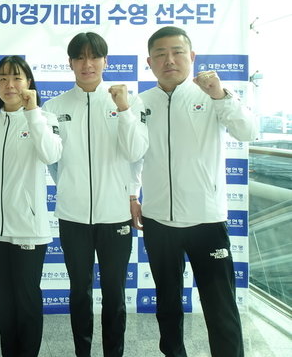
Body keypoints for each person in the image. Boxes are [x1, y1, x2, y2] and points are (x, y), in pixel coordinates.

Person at [135, 26, 256, 357]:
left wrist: (219, 94)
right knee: (168, 306)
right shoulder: (140, 103)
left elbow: (248, 131)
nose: (169, 60)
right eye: (160, 54)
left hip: (207, 221)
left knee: (221, 307)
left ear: (192, 56)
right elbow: (132, 156)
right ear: (149, 61)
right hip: (158, 221)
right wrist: (133, 194)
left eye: (176, 52)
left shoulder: (213, 95)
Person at [43, 32, 148, 357]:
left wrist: (124, 110)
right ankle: (82, 353)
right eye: (80, 57)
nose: (87, 64)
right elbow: (53, 162)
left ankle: (113, 353)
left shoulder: (126, 103)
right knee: (79, 292)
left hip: (115, 214)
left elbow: (135, 153)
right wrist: (70, 188)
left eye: (94, 56)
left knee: (115, 294)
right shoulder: (54, 106)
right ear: (71, 63)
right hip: (73, 217)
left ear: (105, 61)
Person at [0, 56, 62, 357]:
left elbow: (51, 154)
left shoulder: (44, 118)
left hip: (28, 229)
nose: (9, 84)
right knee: (3, 301)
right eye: (2, 78)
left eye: (16, 77)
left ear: (29, 83)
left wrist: (33, 113)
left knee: (27, 302)